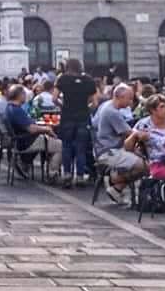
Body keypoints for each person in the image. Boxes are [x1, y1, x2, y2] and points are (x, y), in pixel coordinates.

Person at [92, 83, 143, 203]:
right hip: (109, 151)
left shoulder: (105, 105)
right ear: (120, 97)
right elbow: (128, 133)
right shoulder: (112, 112)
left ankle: (116, 182)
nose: (131, 102)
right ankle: (117, 184)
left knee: (139, 156)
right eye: (129, 98)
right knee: (145, 166)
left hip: (102, 148)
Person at [56, 58, 99, 186]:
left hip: (67, 117)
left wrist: (62, 106)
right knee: (81, 147)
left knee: (66, 146)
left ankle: (67, 175)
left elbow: (54, 97)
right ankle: (80, 176)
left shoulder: (62, 79)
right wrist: (87, 109)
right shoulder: (89, 80)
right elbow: (95, 102)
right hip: (83, 117)